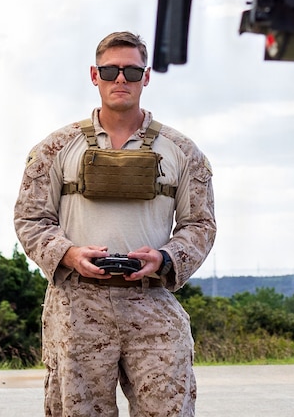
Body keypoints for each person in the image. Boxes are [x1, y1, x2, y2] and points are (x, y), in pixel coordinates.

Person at [14, 31, 216, 417]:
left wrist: (165, 257)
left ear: (146, 76)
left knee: (168, 410)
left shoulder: (183, 152)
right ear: (95, 75)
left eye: (131, 71)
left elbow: (200, 224)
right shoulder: (55, 149)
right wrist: (69, 254)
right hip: (77, 306)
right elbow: (31, 218)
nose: (120, 79)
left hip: (151, 301)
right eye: (110, 70)